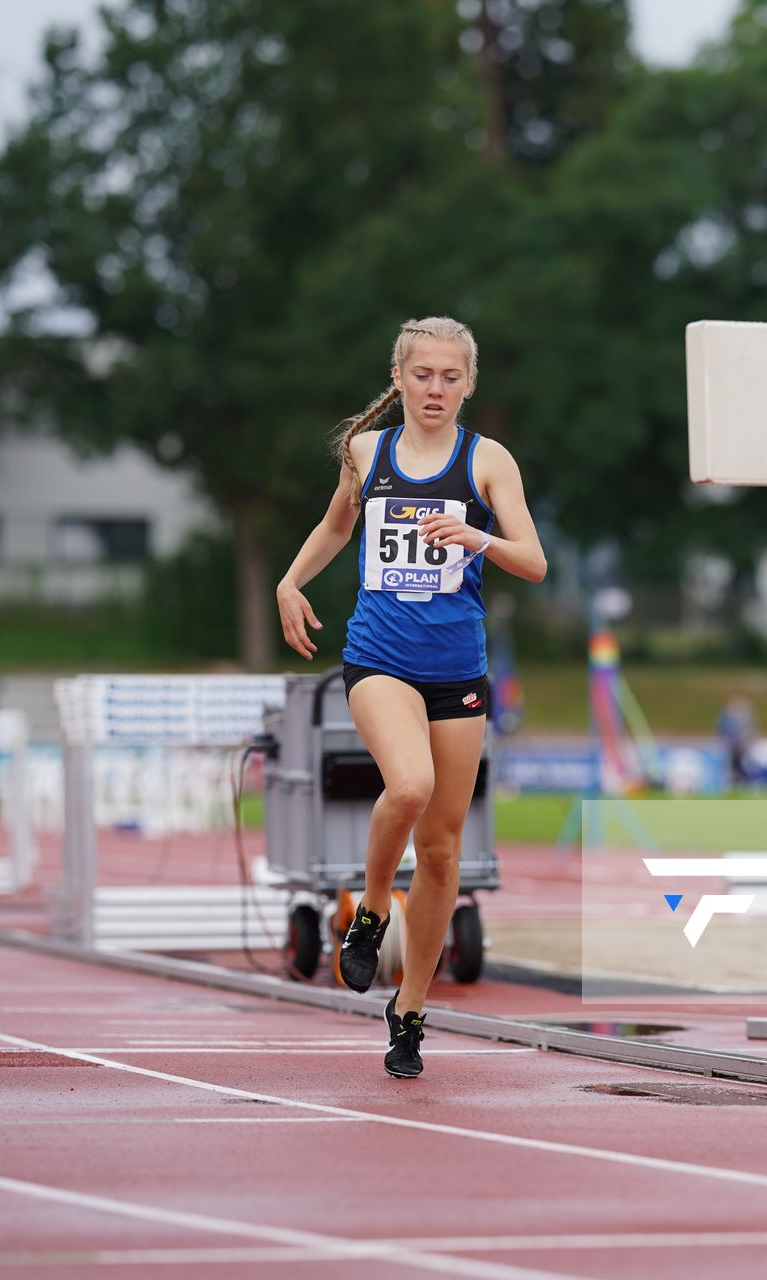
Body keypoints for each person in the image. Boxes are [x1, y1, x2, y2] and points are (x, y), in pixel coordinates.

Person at [274, 316, 545, 1079]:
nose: (435, 389)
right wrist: (291, 581)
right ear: (399, 379)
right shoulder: (369, 451)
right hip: (380, 659)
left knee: (443, 849)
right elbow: (337, 525)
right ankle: (370, 912)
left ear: (468, 385)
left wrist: (478, 540)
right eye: (422, 375)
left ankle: (411, 1010)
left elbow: (535, 560)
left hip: (457, 670)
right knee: (411, 785)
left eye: (450, 377)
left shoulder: (488, 462)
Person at [717, 695, 755, 791]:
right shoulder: (727, 717)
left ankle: (744, 785)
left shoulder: (746, 717)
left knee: (743, 766)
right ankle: (734, 785)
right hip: (732, 747)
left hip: (742, 747)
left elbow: (750, 731)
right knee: (733, 767)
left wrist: (747, 743)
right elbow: (723, 730)